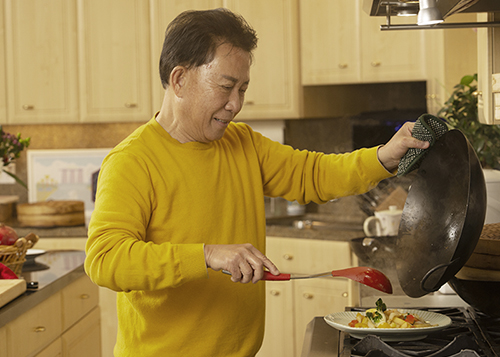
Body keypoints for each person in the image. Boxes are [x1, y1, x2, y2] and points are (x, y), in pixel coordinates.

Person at [84, 8, 429, 357]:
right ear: (179, 80)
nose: (235, 104)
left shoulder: (242, 143)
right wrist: (206, 255)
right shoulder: (132, 161)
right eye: (225, 87)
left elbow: (312, 174)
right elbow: (106, 259)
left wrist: (384, 156)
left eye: (243, 88)